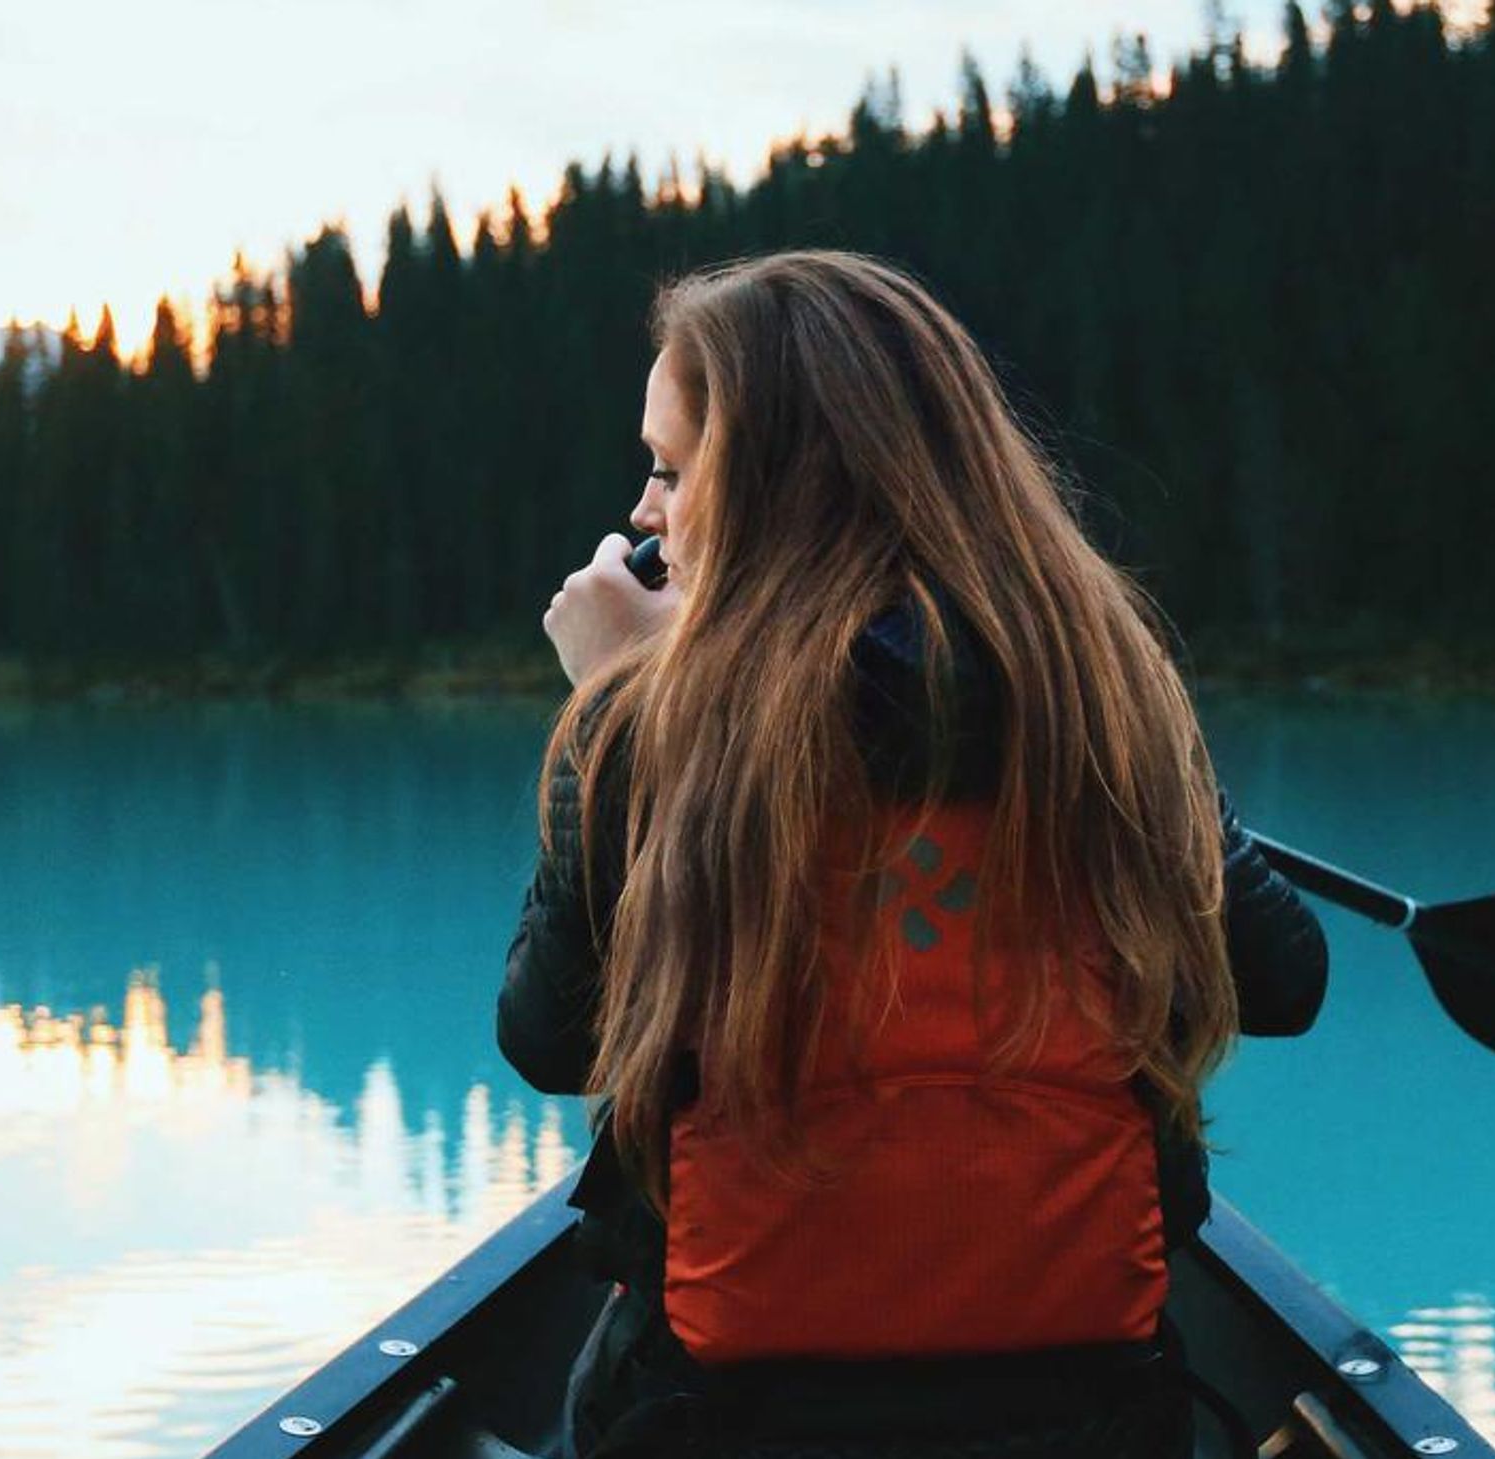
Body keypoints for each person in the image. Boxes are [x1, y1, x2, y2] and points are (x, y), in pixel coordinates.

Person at [502, 250, 1328, 1458]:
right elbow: (1284, 978)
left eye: (674, 471)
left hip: (734, 1423)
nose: (644, 513)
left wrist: (622, 705)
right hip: (1085, 1416)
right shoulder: (1096, 684)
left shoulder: (666, 722)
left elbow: (549, 1040)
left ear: (769, 484)